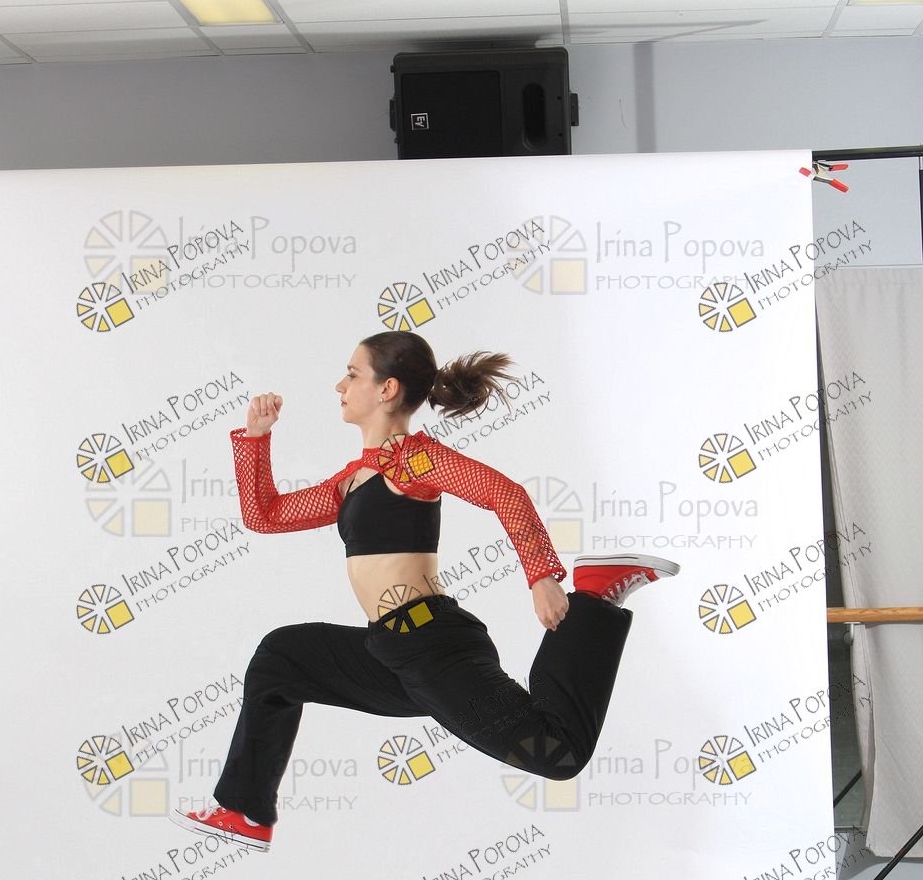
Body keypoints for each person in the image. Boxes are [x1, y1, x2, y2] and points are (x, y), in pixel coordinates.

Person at [172, 332, 678, 851]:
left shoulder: (414, 462)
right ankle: (246, 811)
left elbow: (504, 493)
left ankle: (594, 597)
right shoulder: (353, 479)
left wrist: (541, 574)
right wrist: (256, 438)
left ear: (387, 388)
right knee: (282, 657)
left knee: (557, 752)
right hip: (390, 651)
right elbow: (266, 516)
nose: (339, 385)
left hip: (433, 648)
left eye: (352, 374)